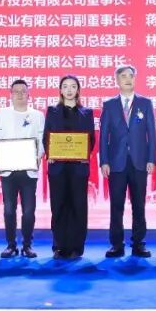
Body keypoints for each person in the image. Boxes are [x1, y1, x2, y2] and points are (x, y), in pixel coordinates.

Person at [99, 65, 156, 258]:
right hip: (116, 163)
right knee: (116, 206)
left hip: (139, 162)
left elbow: (152, 134)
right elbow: (104, 136)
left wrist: (151, 158)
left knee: (139, 205)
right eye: (123, 76)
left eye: (130, 75)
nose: (127, 79)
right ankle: (117, 245)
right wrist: (104, 161)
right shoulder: (109, 105)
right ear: (117, 80)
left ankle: (138, 244)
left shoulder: (145, 103)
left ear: (135, 79)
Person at [43, 75, 96, 259]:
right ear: (60, 90)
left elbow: (91, 138)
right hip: (57, 166)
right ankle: (59, 246)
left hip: (78, 167)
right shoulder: (52, 111)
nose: (69, 90)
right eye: (65, 86)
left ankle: (76, 247)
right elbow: (47, 136)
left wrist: (85, 153)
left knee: (78, 206)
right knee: (58, 206)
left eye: (73, 86)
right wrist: (50, 153)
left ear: (78, 90)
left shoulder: (87, 112)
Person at [0, 79, 45, 258]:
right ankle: (11, 245)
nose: (20, 94)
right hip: (8, 169)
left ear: (29, 94)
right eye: (16, 91)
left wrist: (38, 156)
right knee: (9, 210)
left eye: (23, 91)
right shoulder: (3, 113)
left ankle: (27, 245)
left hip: (29, 170)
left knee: (29, 211)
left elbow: (42, 141)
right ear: (10, 94)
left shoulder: (37, 115)